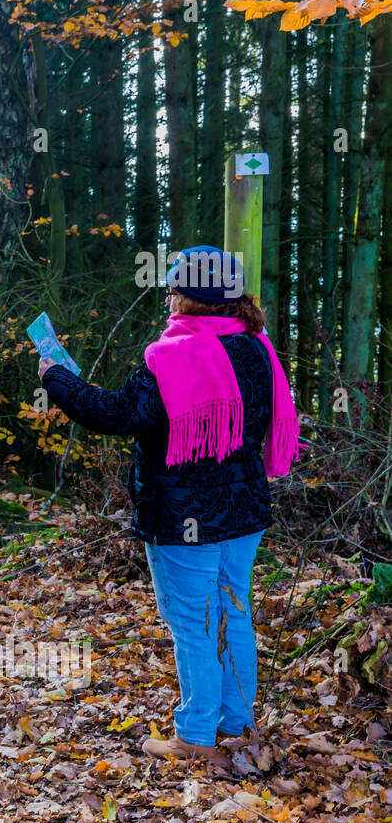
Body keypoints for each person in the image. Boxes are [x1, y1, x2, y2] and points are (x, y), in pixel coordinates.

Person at [37, 246, 300, 767]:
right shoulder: (256, 347)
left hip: (185, 518)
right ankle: (236, 720)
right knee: (232, 612)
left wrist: (57, 378)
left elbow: (116, 412)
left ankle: (195, 738)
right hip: (245, 510)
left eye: (175, 290)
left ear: (192, 298)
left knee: (194, 622)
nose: (169, 300)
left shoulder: (175, 355)